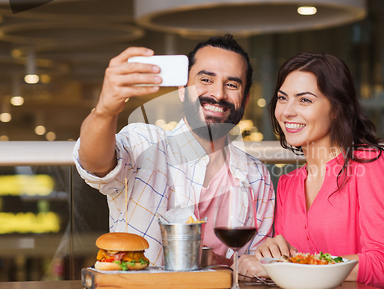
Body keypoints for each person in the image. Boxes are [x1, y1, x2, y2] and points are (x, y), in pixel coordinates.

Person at [239, 52, 384, 289]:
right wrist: (269, 256)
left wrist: (297, 263)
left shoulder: (369, 164)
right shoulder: (288, 184)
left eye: (305, 100)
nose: (287, 111)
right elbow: (290, 265)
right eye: (282, 98)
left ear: (336, 110)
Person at [73, 35, 275, 269]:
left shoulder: (256, 175)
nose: (218, 94)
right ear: (182, 89)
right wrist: (106, 110)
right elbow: (94, 164)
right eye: (206, 79)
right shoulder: (146, 143)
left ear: (245, 100)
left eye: (232, 85)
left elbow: (255, 267)